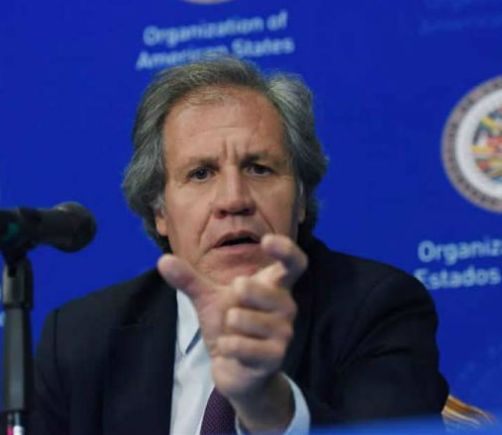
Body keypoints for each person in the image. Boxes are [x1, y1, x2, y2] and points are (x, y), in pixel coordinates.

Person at [30, 56, 449, 434]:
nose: (233, 199)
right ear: (160, 211)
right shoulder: (80, 340)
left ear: (301, 198)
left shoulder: (377, 309)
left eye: (259, 168)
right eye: (200, 173)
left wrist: (268, 404)